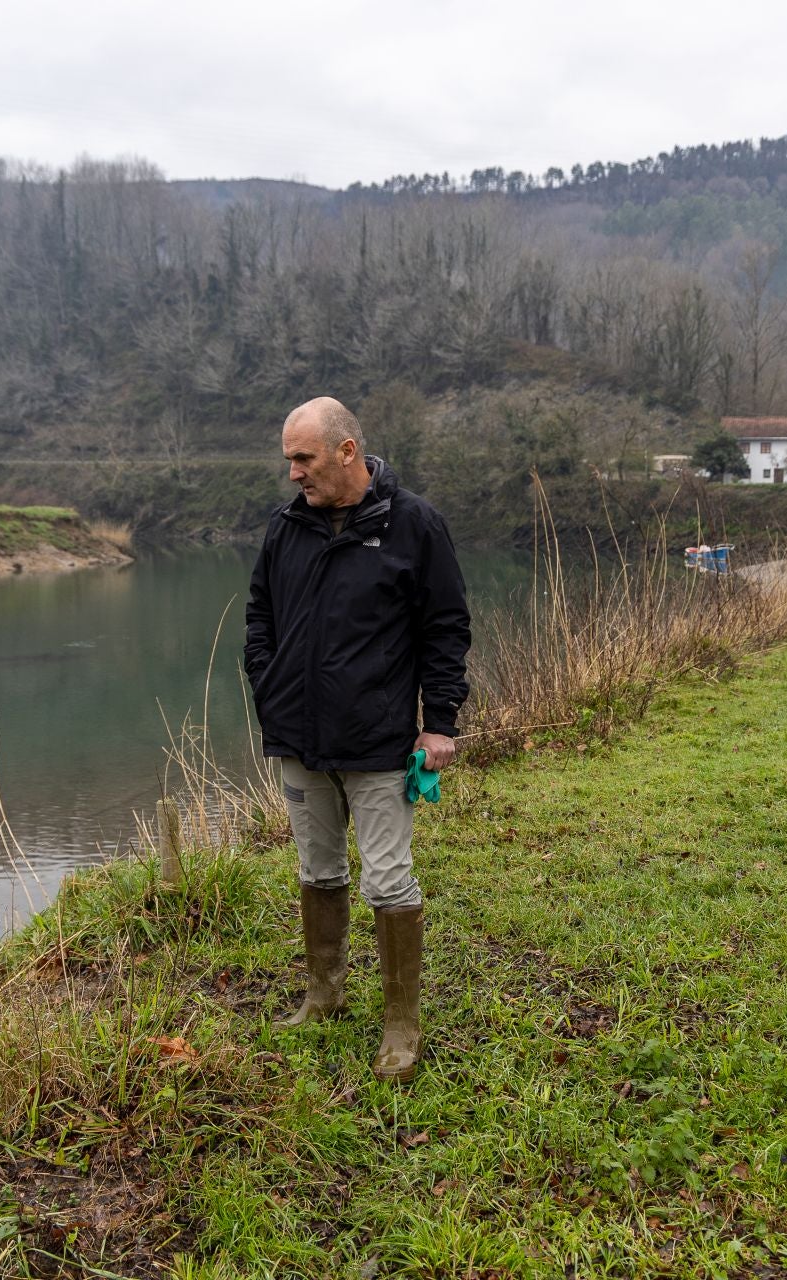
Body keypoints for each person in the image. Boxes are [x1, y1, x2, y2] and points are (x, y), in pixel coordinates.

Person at [243, 396, 470, 1083]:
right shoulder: (286, 528)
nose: (293, 475)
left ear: (347, 452)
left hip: (377, 743)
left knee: (389, 878)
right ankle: (325, 994)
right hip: (298, 739)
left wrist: (440, 723)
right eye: (289, 460)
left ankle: (401, 1024)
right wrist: (269, 684)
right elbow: (260, 616)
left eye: (303, 459)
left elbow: (445, 629)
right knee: (317, 871)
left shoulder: (414, 525)